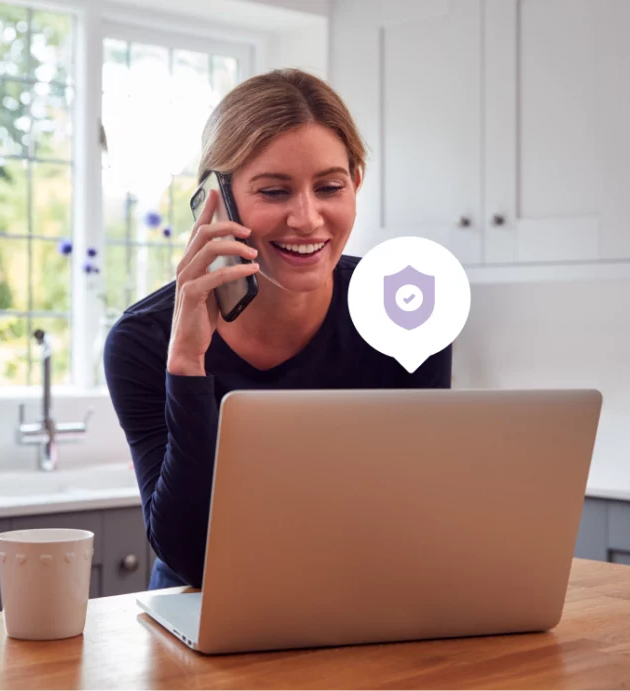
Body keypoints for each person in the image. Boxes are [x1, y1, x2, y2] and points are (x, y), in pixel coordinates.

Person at [104, 68, 452, 590]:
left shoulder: (406, 311)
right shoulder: (145, 341)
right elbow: (190, 558)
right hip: (199, 615)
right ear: (217, 200)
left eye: (329, 187)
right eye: (274, 192)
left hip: (359, 598)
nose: (308, 218)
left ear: (355, 184)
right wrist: (188, 364)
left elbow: (416, 514)